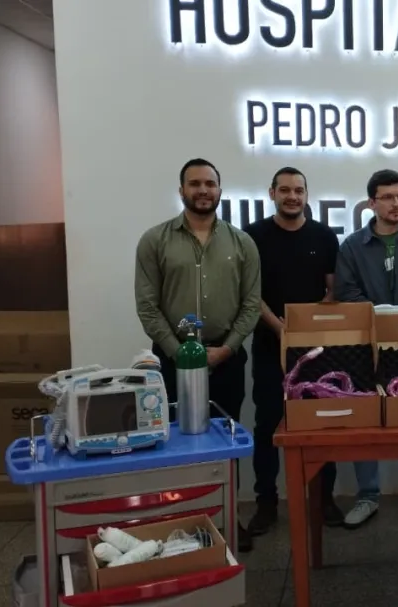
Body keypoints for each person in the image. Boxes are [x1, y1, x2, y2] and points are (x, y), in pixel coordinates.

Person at [134, 157, 261, 553]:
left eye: (210, 183)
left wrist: (228, 348)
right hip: (172, 358)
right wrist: (180, 353)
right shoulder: (155, 240)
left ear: (220, 190)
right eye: (195, 184)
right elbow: (147, 306)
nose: (203, 190)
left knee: (226, 440)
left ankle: (227, 516)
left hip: (226, 357)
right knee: (173, 439)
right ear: (182, 190)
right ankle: (181, 521)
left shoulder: (242, 243)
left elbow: (251, 304)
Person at [333, 169, 398, 528]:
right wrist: (379, 314)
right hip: (366, 344)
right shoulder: (352, 246)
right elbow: (346, 291)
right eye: (388, 197)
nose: (396, 203)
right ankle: (367, 495)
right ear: (372, 203)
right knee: (365, 417)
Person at [243, 167, 342, 536]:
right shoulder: (253, 236)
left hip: (316, 348)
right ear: (272, 193)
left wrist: (309, 324)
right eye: (284, 190)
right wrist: (281, 327)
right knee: (268, 425)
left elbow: (333, 290)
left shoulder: (324, 236)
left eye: (298, 190)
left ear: (306, 195)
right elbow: (250, 293)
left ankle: (324, 499)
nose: (292, 196)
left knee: (322, 423)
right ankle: (266, 503)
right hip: (270, 345)